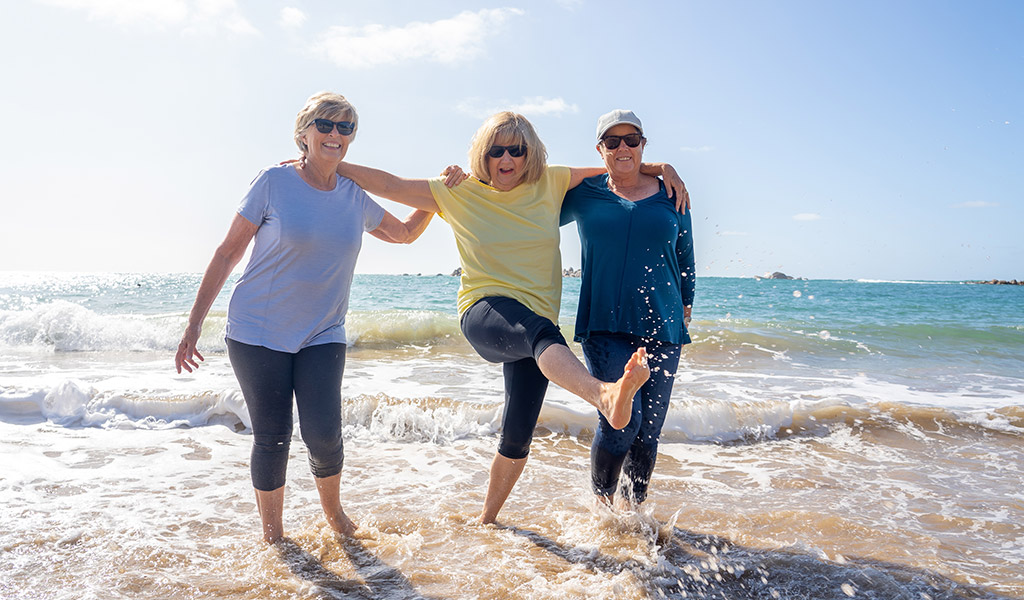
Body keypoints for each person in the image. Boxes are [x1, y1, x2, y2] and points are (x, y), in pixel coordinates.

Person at [331, 111, 690, 524]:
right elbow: (390, 185)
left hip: (539, 339)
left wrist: (664, 168)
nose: (507, 159)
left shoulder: (551, 183)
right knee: (540, 333)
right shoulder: (458, 192)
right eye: (496, 150)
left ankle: (487, 519)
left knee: (518, 433)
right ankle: (603, 396)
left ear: (529, 154)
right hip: (485, 311)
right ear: (482, 155)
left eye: (516, 150)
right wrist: (331, 164)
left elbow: (619, 164)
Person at [174, 92, 440, 543]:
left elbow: (405, 234)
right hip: (258, 330)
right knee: (273, 435)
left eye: (345, 127)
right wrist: (195, 323)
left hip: (323, 330)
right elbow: (228, 251)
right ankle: (274, 536)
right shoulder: (274, 182)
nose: (335, 134)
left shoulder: (354, 195)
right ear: (304, 133)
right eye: (326, 124)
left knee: (325, 434)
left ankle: (334, 516)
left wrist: (439, 196)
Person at [560, 109, 696, 507]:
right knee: (621, 421)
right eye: (613, 142)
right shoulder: (585, 194)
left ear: (643, 144)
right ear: (599, 148)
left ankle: (632, 511)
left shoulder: (672, 193)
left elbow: (685, 256)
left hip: (664, 324)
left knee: (649, 429)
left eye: (631, 140)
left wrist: (687, 303)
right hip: (605, 324)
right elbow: (534, 204)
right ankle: (601, 507)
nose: (623, 148)